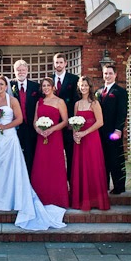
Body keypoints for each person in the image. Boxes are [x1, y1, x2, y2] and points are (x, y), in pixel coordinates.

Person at [0, 75, 66, 230]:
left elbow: (19, 119)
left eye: (1, 84)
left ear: (6, 86)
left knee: (11, 169)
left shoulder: (12, 101)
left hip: (9, 137)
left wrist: (5, 127)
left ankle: (11, 198)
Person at [70, 76, 110, 211]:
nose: (84, 88)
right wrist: (75, 135)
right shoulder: (77, 104)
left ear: (90, 87)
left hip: (92, 139)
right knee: (81, 168)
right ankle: (81, 200)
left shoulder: (94, 103)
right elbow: (74, 122)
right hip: (79, 141)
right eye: (82, 85)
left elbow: (100, 122)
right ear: (79, 87)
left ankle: (95, 201)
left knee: (92, 167)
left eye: (86, 85)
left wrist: (84, 133)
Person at [30, 77, 70, 208]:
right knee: (41, 166)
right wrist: (39, 130)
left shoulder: (60, 102)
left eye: (48, 85)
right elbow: (35, 121)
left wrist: (51, 130)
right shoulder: (39, 102)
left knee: (55, 166)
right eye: (43, 86)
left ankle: (57, 198)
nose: (46, 88)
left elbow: (65, 121)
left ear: (53, 87)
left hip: (55, 138)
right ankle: (41, 197)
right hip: (42, 138)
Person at [99, 64, 128, 195]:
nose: (108, 76)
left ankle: (119, 186)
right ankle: (104, 185)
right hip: (100, 132)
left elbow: (122, 112)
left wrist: (118, 129)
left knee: (116, 159)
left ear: (115, 75)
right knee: (103, 159)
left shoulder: (120, 92)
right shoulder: (99, 92)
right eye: (106, 73)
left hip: (114, 132)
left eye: (110, 73)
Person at [52, 53, 79, 182]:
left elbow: (76, 101)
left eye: (61, 62)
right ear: (54, 64)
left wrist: (72, 121)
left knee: (70, 154)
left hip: (68, 124)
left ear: (66, 63)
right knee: (55, 155)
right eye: (56, 62)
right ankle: (58, 181)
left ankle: (70, 181)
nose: (59, 65)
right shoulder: (49, 80)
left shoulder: (74, 79)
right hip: (53, 125)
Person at [10, 59, 41, 174]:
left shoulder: (35, 87)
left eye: (23, 70)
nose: (21, 72)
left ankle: (30, 180)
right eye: (18, 70)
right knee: (16, 155)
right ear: (14, 71)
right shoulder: (10, 85)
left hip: (31, 127)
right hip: (14, 127)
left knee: (30, 154)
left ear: (27, 71)